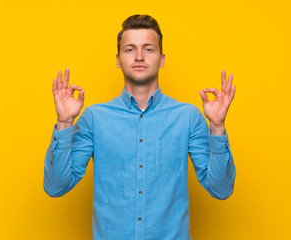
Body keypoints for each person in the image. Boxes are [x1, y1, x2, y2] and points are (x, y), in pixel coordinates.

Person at [44, 14, 236, 240]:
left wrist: (217, 126)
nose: (138, 57)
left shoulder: (187, 117)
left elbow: (221, 189)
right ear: (118, 59)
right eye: (129, 49)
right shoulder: (95, 118)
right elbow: (56, 186)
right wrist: (65, 122)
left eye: (148, 49)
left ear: (162, 58)